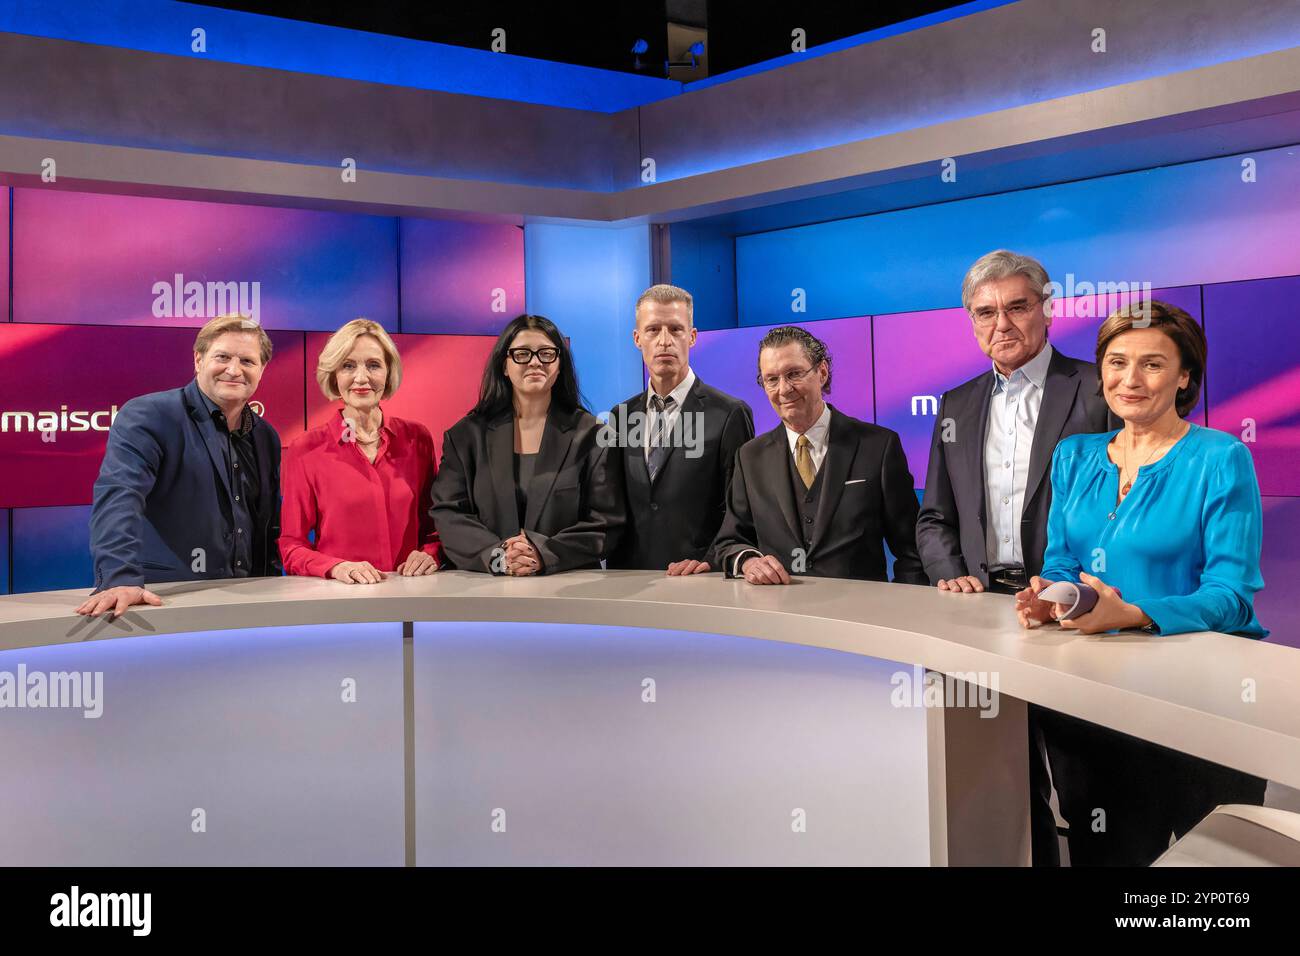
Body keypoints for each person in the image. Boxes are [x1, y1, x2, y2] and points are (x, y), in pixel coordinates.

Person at [1016, 300, 1267, 866]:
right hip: (1089, 702)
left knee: (1210, 882)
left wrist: (1128, 615)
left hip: (1201, 706)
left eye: (1152, 364)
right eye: (1116, 361)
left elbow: (1230, 598)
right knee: (1106, 855)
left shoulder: (1220, 457)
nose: (1130, 379)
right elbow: (1060, 565)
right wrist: (1053, 599)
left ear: (1185, 377)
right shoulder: (1073, 456)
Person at [915, 249, 1115, 866]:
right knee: (1008, 784)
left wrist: (1084, 591)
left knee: (1088, 791)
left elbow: (1126, 508)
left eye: (1016, 307)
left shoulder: (1097, 389)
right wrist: (950, 573)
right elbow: (933, 518)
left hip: (1073, 616)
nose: (1001, 324)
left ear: (1047, 310)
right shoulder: (956, 405)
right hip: (983, 620)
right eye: (985, 313)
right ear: (971, 322)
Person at [77, 315, 282, 618]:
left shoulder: (266, 436)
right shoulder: (150, 416)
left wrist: (274, 589)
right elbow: (120, 497)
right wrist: (119, 577)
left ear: (262, 370)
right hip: (166, 601)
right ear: (198, 360)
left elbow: (266, 527)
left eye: (248, 361)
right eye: (222, 357)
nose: (234, 370)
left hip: (250, 603)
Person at [711, 325, 925, 585]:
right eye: (772, 379)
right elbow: (731, 541)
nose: (784, 389)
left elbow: (912, 550)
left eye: (794, 374)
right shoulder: (750, 457)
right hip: (778, 617)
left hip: (862, 617)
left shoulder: (879, 447)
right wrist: (749, 561)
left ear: (822, 372)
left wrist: (907, 606)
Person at [430, 314, 624, 574]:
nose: (535, 362)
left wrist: (543, 554)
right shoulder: (466, 436)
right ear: (504, 365)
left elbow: (606, 522)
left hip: (568, 590)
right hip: (481, 594)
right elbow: (448, 514)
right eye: (522, 354)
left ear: (560, 364)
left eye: (546, 354)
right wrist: (499, 557)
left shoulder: (593, 436)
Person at [605, 284, 754, 574]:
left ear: (692, 336)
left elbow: (741, 508)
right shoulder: (620, 416)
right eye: (653, 330)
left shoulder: (729, 413)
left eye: (675, 329)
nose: (664, 341)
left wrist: (710, 560)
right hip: (628, 580)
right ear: (637, 339)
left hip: (699, 581)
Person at [279, 319, 442, 583]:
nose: (361, 378)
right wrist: (336, 567)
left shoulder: (417, 439)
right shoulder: (306, 449)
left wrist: (431, 553)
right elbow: (291, 547)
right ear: (334, 374)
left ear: (389, 372)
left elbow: (435, 528)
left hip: (412, 597)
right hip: (342, 603)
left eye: (374, 365)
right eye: (348, 365)